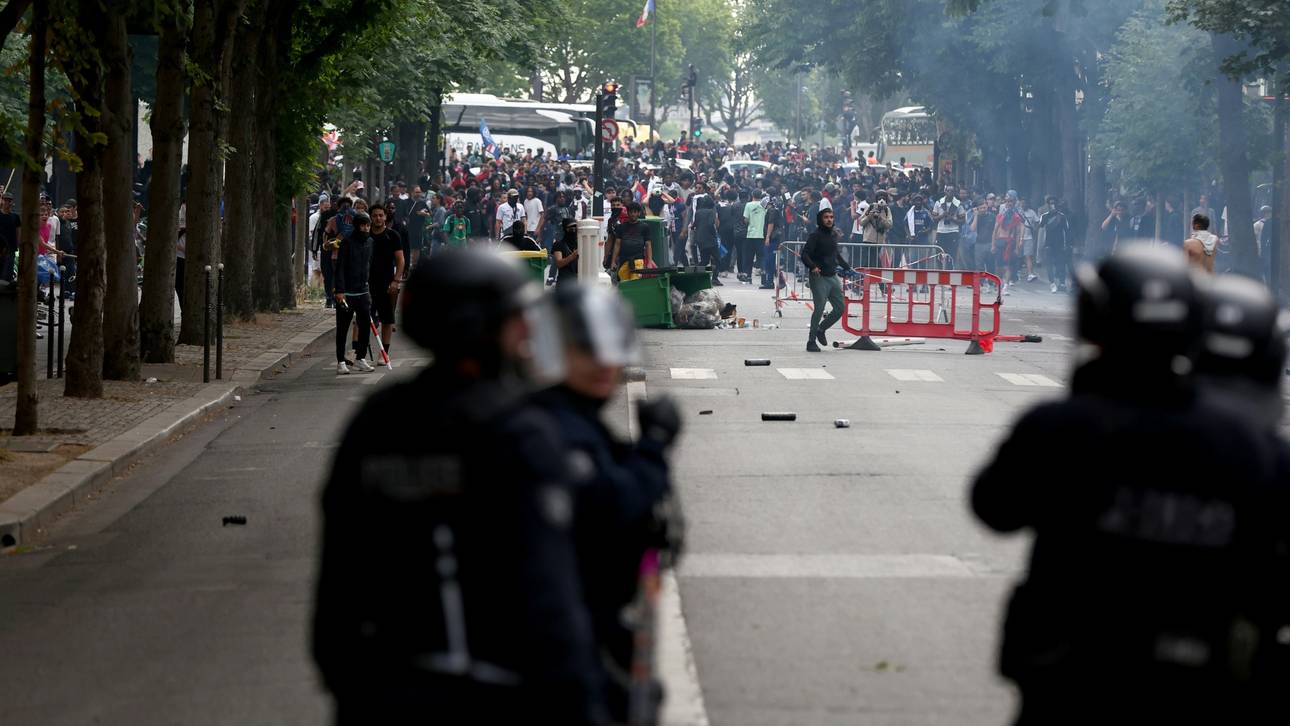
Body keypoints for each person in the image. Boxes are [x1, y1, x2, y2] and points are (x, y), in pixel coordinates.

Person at [972, 244, 1282, 725]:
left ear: (1095, 319)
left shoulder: (1059, 428)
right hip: (1204, 683)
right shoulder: (1251, 446)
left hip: (1071, 675)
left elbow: (994, 507)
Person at [313, 248, 608, 724]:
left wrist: (352, 689)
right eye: (516, 320)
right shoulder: (518, 431)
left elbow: (339, 576)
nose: (526, 333)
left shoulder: (378, 422)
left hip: (381, 693)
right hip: (497, 694)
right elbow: (549, 591)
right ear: (486, 328)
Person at [532, 284, 683, 723]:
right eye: (585, 350)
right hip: (561, 633)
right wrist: (652, 449)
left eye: (610, 349)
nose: (603, 363)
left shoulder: (580, 422)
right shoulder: (550, 430)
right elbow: (615, 501)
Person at [332, 211, 376, 375]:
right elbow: (340, 267)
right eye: (362, 225)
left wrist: (369, 288)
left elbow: (369, 266)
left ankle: (360, 358)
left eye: (367, 225)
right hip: (347, 293)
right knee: (342, 328)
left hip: (363, 291)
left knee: (365, 326)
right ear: (357, 225)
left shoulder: (370, 242)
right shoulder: (347, 242)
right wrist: (340, 290)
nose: (365, 228)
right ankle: (341, 362)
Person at [800, 208, 848, 352]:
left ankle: (822, 329)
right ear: (821, 219)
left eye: (831, 217)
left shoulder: (833, 235)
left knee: (840, 308)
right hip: (819, 277)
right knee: (819, 309)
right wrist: (813, 266)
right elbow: (805, 254)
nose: (829, 220)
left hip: (832, 276)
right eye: (826, 217)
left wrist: (848, 268)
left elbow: (836, 255)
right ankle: (811, 341)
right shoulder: (815, 235)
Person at [367, 206, 405, 361]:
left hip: (386, 282)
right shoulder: (365, 235)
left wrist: (396, 280)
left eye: (380, 215)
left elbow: (400, 260)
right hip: (366, 283)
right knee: (362, 319)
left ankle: (384, 353)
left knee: (387, 319)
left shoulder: (392, 235)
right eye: (375, 215)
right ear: (370, 217)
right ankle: (358, 352)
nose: (377, 218)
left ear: (385, 217)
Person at [608, 201, 651, 283]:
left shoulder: (644, 227)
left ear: (638, 213)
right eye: (631, 212)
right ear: (627, 213)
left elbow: (648, 245)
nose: (633, 214)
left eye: (635, 212)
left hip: (638, 261)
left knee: (635, 284)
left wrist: (649, 262)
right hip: (624, 261)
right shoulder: (621, 227)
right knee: (624, 285)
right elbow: (617, 244)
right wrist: (613, 261)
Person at [1039, 199, 1072, 294]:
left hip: (1060, 245)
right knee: (1049, 265)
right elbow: (1040, 229)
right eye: (1050, 204)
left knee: (1060, 264)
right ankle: (1052, 283)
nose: (1052, 205)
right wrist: (1042, 246)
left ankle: (1061, 283)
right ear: (1048, 205)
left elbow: (1067, 231)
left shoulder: (1062, 217)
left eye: (1054, 203)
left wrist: (1067, 244)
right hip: (1048, 245)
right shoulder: (1044, 216)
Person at [690, 194, 720, 284]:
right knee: (718, 259)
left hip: (700, 239)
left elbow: (694, 225)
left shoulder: (698, 212)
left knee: (704, 260)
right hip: (710, 239)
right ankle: (715, 278)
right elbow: (711, 224)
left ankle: (697, 276)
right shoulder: (711, 212)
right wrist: (714, 234)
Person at [931, 186, 963, 265]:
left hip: (953, 231)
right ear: (945, 191)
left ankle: (950, 271)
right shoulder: (939, 202)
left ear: (954, 192)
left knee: (952, 255)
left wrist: (952, 218)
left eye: (952, 191)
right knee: (939, 254)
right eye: (948, 191)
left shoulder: (958, 204)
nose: (950, 193)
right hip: (941, 231)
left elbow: (963, 220)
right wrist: (942, 215)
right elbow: (934, 218)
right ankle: (940, 272)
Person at [552, 217, 580, 285]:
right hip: (564, 282)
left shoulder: (580, 243)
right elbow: (559, 263)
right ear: (565, 229)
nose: (573, 230)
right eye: (570, 227)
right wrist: (572, 256)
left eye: (575, 227)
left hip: (578, 281)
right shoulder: (558, 244)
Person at [0, 192, 17, 282]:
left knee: (7, 274)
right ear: (2, 201)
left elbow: (19, 233)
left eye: (9, 200)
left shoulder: (15, 217)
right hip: (0, 248)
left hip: (11, 249)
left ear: (12, 202)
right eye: (5, 200)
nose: (7, 202)